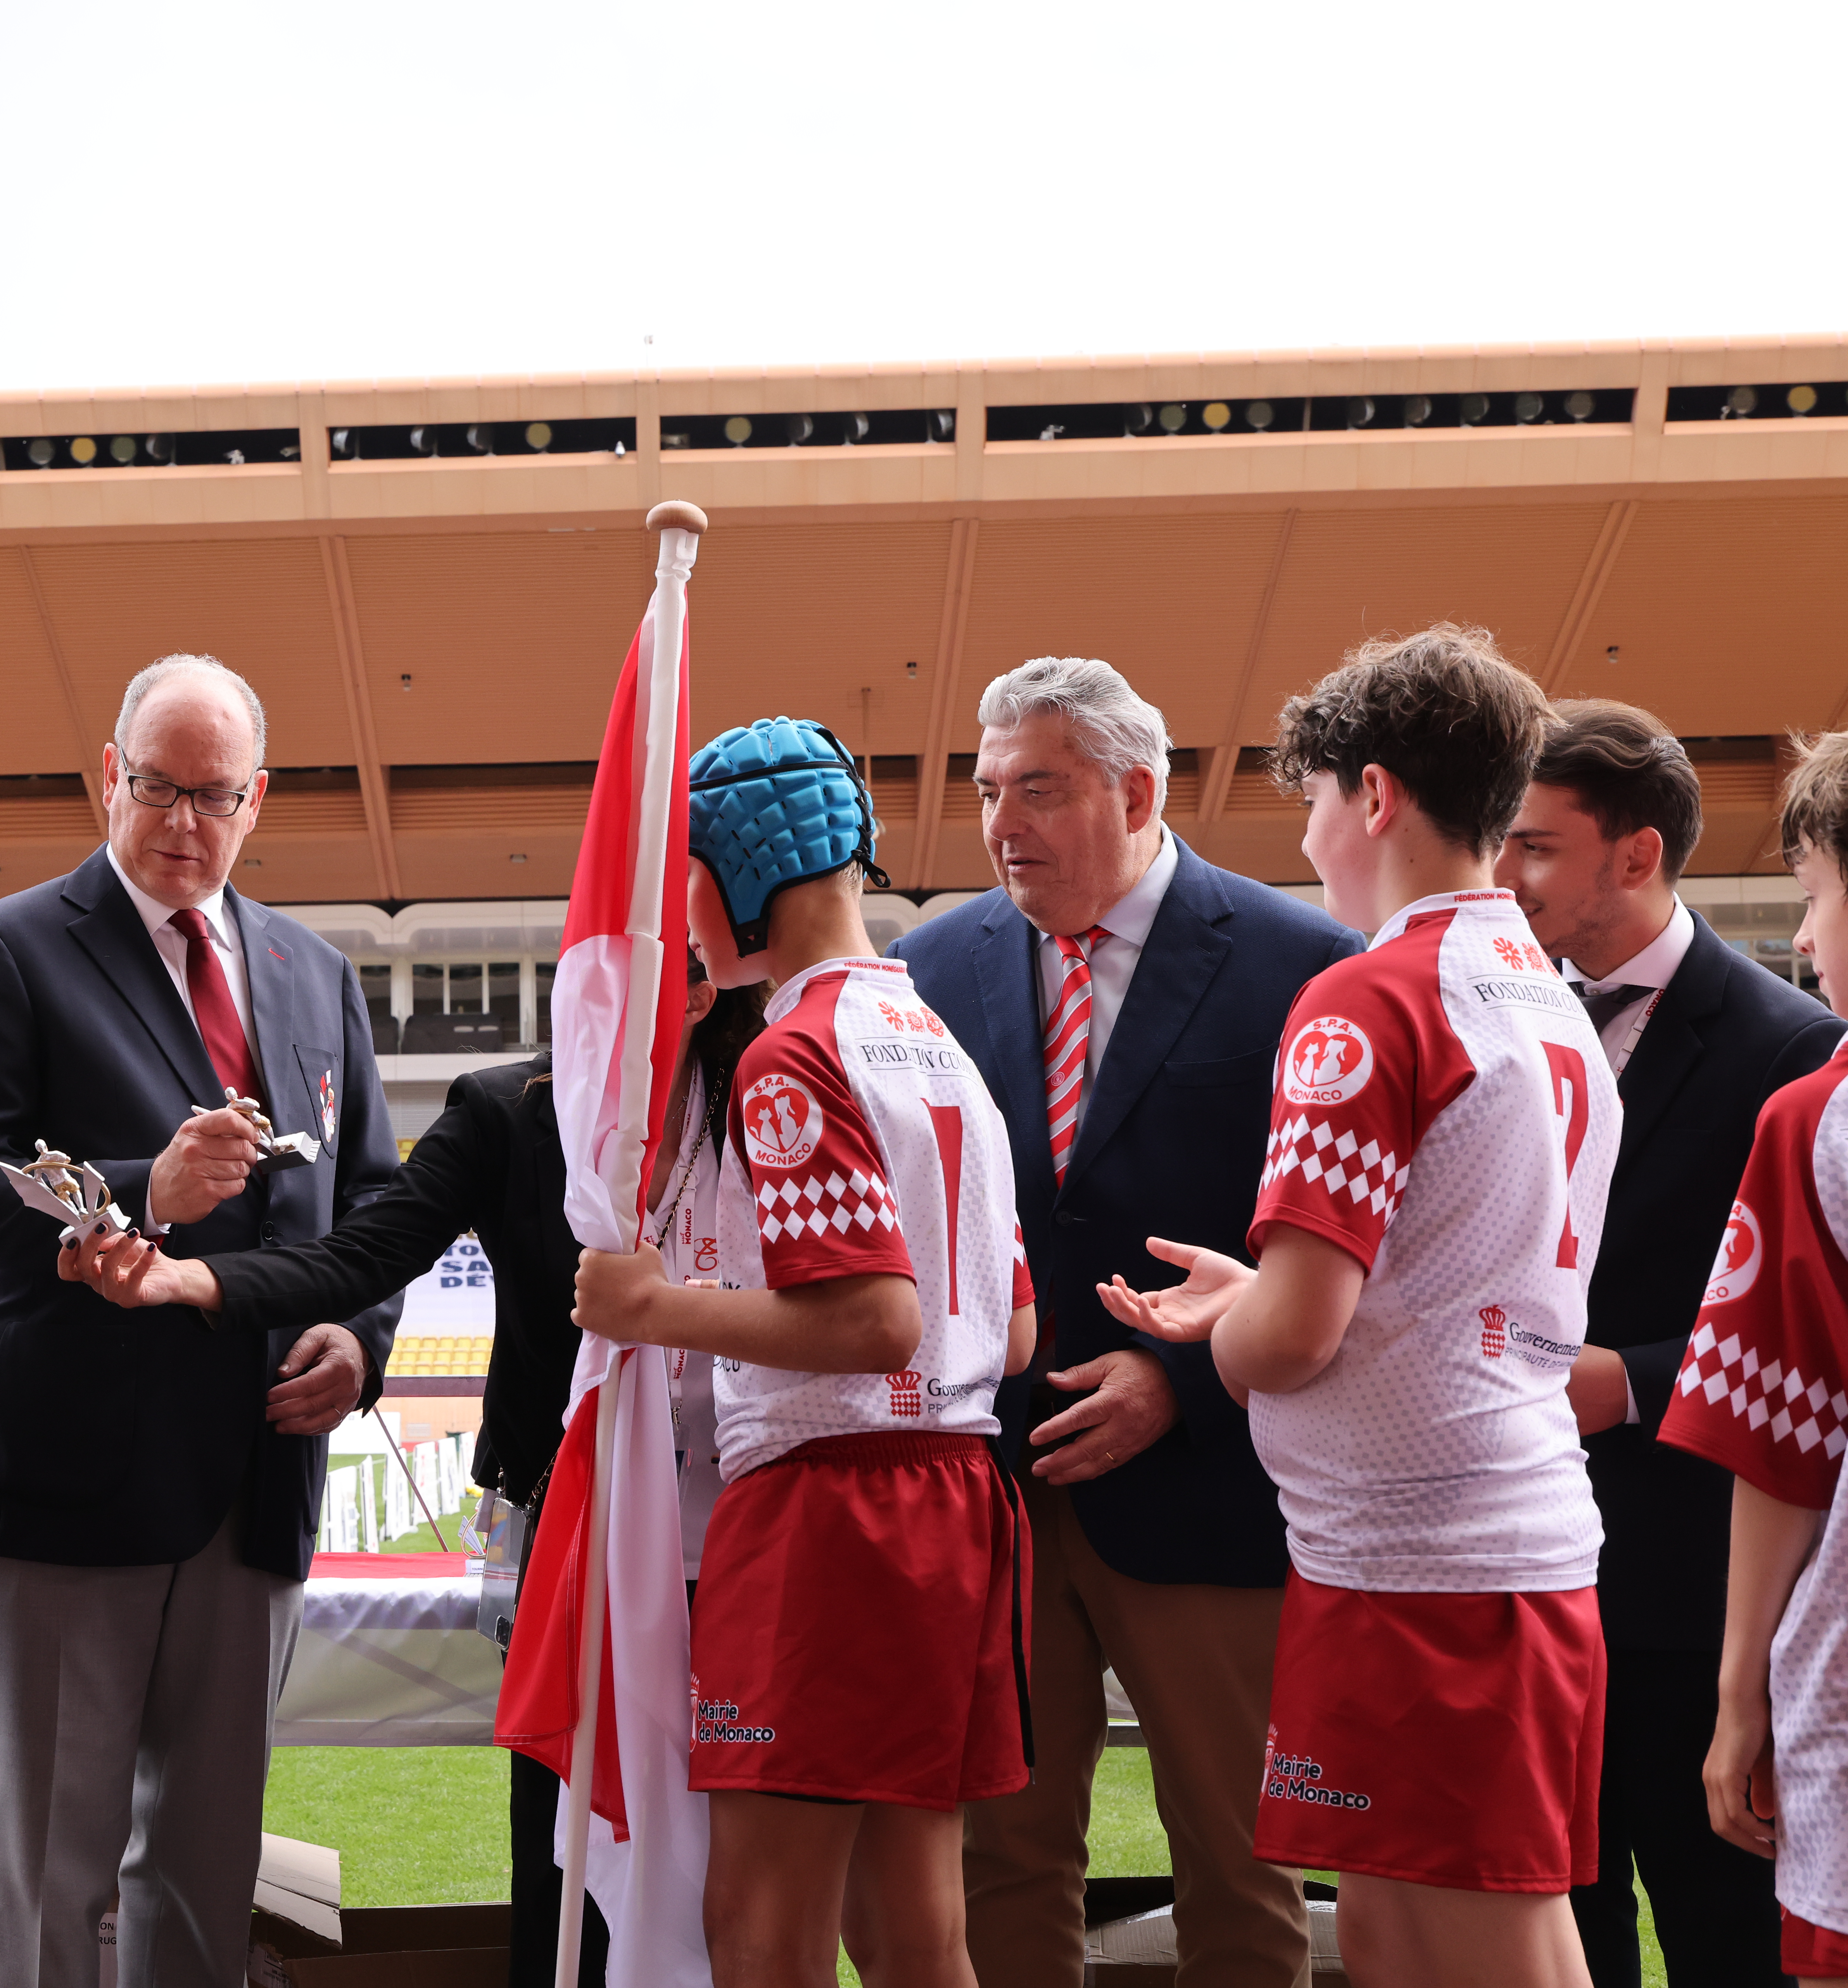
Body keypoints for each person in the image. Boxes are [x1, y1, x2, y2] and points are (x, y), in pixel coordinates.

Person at [61, 950, 769, 1988]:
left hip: (759, 1530)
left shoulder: (775, 1101)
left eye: (633, 964)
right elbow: (360, 1254)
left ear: (702, 991)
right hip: (574, 1537)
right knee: (569, 1861)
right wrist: (188, 1280)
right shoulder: (507, 1111)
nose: (595, 989)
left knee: (754, 1873)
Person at [1102, 625, 1615, 1988]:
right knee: (1408, 1933)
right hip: (1463, 1536)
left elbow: (1293, 1341)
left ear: (1375, 795)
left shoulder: (1372, 995)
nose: (1309, 837)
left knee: (1477, 1939)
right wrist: (1264, 1294)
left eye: (1316, 799)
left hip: (1428, 1561)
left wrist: (1239, 1320)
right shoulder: (1545, 993)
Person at [0, 653, 401, 1988]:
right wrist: (142, 1191)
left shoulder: (315, 971)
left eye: (214, 796)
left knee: (204, 1875)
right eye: (158, 789)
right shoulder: (7, 948)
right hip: (71, 1477)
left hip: (260, 1473)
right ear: (107, 780)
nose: (185, 823)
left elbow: (375, 1198)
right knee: (49, 1875)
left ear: (259, 800)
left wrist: (361, 1341)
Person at [890, 655, 1356, 1988]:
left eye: (1039, 789)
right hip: (999, 1487)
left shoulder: (1305, 965)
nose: (1002, 823)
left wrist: (1181, 1381)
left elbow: (1333, 1250)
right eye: (989, 791)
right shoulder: (927, 968)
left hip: (1206, 1488)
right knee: (1003, 1855)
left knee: (1241, 1864)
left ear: (1139, 793)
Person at [572, 717, 1037, 1988]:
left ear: (732, 880)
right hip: (957, 1503)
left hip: (830, 1512)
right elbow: (1011, 1330)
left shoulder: (792, 1053)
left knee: (762, 1930)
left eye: (687, 885)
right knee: (913, 1929)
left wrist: (653, 1309)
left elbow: (872, 1320)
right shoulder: (945, 1051)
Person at [1498, 700, 1843, 1988]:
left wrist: (1637, 1385)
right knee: (1555, 1932)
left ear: (1636, 855)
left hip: (1700, 1574)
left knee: (1726, 1938)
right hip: (1527, 1576)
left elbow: (1803, 1324)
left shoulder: (1792, 1048)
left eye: (1535, 845)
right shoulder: (1497, 1016)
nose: (1503, 871)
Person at [1669, 729, 1848, 1988]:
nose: (1805, 936)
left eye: (1817, 893)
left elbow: (1781, 1437)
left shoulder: (1819, 1119)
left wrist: (1743, 1699)